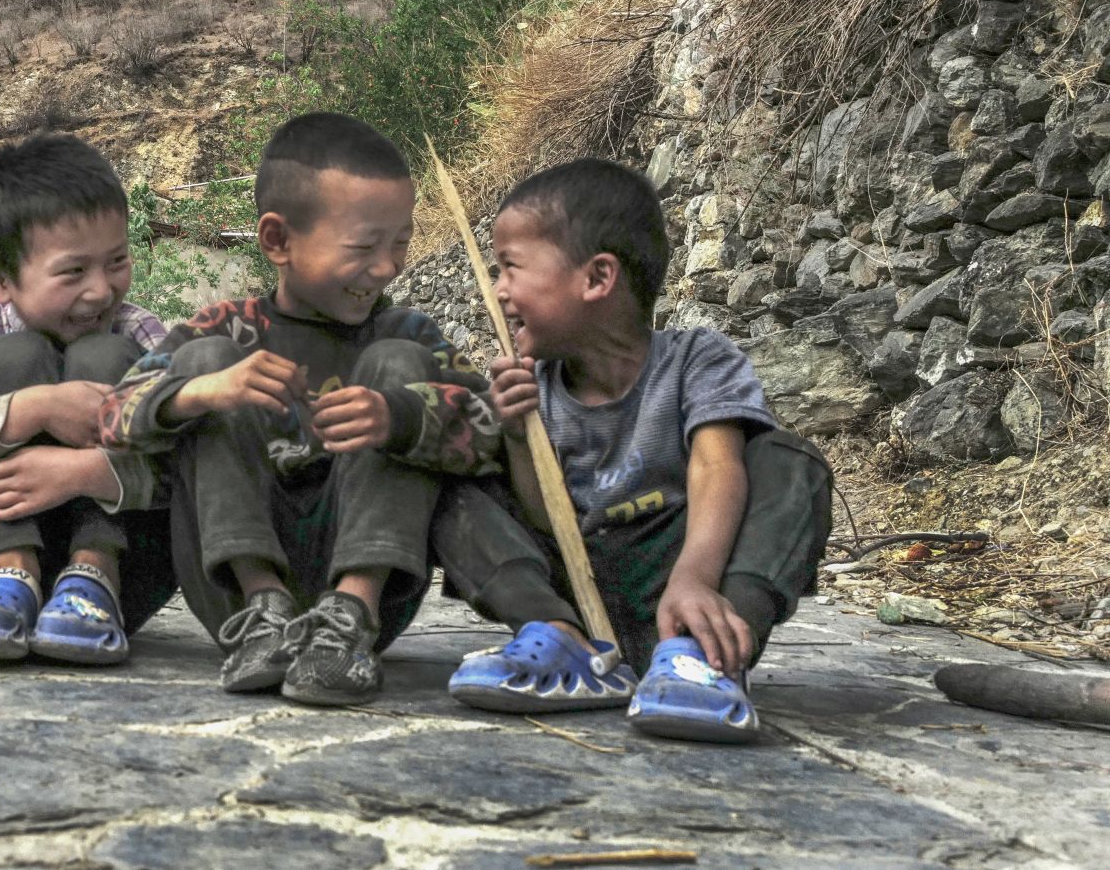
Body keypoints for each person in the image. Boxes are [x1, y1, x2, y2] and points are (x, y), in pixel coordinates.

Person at [101, 113, 505, 707]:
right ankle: (263, 607)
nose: (388, 267)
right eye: (364, 246)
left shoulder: (409, 333)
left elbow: (496, 431)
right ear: (278, 241)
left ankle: (350, 611)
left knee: (398, 366)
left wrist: (400, 416)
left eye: (400, 242)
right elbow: (111, 416)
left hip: (373, 589)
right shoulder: (225, 327)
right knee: (207, 362)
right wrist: (205, 392)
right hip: (232, 596)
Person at [437, 157, 833, 744]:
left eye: (511, 267)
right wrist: (518, 437)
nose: (497, 291)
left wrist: (695, 579)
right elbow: (547, 522)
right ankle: (562, 641)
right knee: (454, 480)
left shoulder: (697, 359)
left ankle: (704, 659)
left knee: (789, 462)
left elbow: (716, 466)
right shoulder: (534, 387)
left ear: (597, 278)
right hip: (575, 591)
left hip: (682, 585)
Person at [0, 131, 175, 666]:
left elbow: (191, 457)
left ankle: (94, 571)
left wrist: (87, 472)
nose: (101, 290)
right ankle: (13, 572)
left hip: (127, 570)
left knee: (104, 353)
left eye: (116, 261)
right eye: (73, 271)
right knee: (15, 355)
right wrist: (35, 408)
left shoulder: (140, 332)